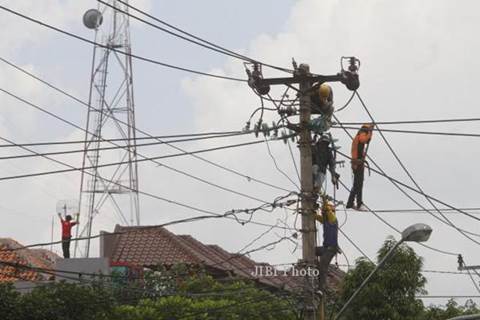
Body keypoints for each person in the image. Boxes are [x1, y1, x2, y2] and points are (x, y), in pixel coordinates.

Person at [346, 123, 373, 210]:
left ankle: (350, 203)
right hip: (357, 164)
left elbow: (367, 141)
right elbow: (364, 140)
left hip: (358, 164)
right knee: (358, 184)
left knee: (357, 184)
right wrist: (370, 132)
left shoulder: (359, 136)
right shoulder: (361, 135)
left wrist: (370, 132)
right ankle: (359, 203)